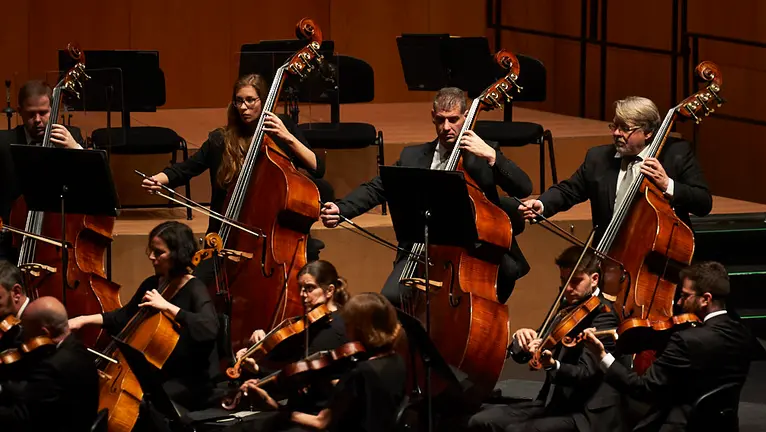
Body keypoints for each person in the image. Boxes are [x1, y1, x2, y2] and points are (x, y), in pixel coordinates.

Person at [320, 87, 533, 305]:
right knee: (393, 298)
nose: (446, 127)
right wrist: (342, 209)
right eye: (440, 120)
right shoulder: (413, 156)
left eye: (453, 120)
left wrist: (492, 156)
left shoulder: (484, 155)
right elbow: (378, 188)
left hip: (475, 255)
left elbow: (524, 187)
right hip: (423, 248)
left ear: (466, 116)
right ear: (433, 117)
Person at [141, 74, 327, 265]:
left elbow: (317, 168)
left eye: (250, 100)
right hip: (227, 236)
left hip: (272, 235)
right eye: (239, 101)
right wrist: (159, 179)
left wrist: (287, 137)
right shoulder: (221, 140)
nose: (244, 107)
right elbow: (187, 168)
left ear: (264, 101)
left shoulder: (281, 129)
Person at [468, 246, 626, 432]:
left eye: (575, 281)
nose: (567, 288)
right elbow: (533, 349)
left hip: (584, 413)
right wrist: (521, 342)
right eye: (563, 279)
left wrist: (553, 365)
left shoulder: (604, 315)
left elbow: (585, 374)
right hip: (553, 403)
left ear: (594, 279)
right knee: (479, 420)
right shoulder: (568, 305)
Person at [583, 261, 755, 431]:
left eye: (685, 295)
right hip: (722, 424)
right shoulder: (744, 333)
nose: (679, 302)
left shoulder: (686, 340)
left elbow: (642, 387)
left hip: (682, 425)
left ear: (705, 299)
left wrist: (602, 356)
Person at [68, 221, 219, 411]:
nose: (151, 257)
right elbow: (123, 317)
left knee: (143, 407)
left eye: (159, 252)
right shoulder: (152, 283)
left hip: (186, 379)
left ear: (178, 255)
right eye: (151, 250)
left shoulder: (195, 289)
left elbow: (209, 328)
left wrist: (167, 307)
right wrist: (82, 320)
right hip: (154, 373)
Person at [518, 96, 712, 242]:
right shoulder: (598, 158)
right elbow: (569, 190)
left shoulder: (676, 155)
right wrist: (542, 204)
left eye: (625, 128)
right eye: (614, 126)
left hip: (659, 256)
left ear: (648, 132)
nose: (617, 133)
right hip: (609, 253)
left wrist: (667, 184)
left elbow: (703, 203)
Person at [242, 292, 406, 432]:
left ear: (360, 329)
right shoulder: (396, 361)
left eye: (348, 324)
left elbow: (321, 422)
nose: (346, 329)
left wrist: (275, 407)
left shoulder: (363, 372)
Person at [0, 80, 85, 262]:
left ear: (54, 110)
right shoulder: (4, 143)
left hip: (57, 237)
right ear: (19, 111)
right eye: (31, 114)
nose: (37, 120)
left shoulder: (72, 136)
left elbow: (92, 179)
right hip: (10, 239)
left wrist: (75, 147)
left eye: (43, 113)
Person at [0, 296, 99, 432]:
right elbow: (40, 393)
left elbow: (20, 418)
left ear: (44, 332)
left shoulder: (53, 366)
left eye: (27, 331)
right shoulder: (78, 348)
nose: (23, 338)